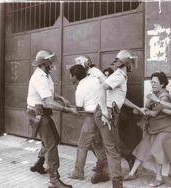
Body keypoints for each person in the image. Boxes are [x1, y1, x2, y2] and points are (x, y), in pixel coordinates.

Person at [27, 50, 77, 188]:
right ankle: (54, 180)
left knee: (53, 139)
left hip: (43, 112)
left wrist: (60, 98)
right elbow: (48, 102)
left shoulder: (45, 75)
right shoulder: (40, 77)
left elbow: (48, 95)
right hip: (39, 114)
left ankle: (39, 164)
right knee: (51, 145)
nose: (52, 63)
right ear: (44, 63)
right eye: (50, 61)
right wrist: (68, 110)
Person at [94, 50, 145, 188]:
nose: (133, 66)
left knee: (110, 147)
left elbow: (121, 98)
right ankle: (117, 184)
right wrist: (105, 111)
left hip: (109, 113)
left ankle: (101, 174)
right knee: (114, 151)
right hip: (107, 115)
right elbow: (102, 88)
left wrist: (139, 108)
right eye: (131, 64)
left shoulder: (122, 76)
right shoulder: (119, 76)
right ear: (127, 64)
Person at [124, 72, 171, 187]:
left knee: (157, 151)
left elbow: (153, 113)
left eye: (155, 82)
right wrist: (143, 108)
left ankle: (159, 178)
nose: (152, 84)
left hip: (165, 128)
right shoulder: (154, 94)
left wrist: (141, 110)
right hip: (154, 128)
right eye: (151, 82)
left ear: (162, 84)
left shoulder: (164, 96)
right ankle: (132, 173)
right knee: (142, 149)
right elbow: (148, 107)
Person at [68, 64, 109, 183]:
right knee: (97, 144)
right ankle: (104, 169)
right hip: (101, 115)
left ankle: (78, 172)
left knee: (82, 146)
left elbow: (79, 107)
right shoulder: (95, 80)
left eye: (71, 76)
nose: (70, 78)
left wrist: (71, 110)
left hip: (90, 117)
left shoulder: (80, 88)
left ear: (75, 76)